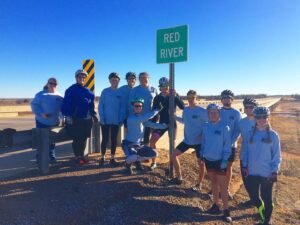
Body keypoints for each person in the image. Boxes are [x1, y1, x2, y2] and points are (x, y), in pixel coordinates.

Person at [242, 107, 281, 225]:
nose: (261, 119)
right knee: (254, 196)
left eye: (264, 117)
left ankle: (266, 221)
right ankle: (262, 212)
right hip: (252, 172)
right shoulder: (249, 134)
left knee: (267, 198)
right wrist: (244, 166)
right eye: (258, 117)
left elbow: (277, 156)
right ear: (254, 118)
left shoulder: (273, 135)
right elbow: (245, 152)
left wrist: (274, 171)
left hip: (267, 174)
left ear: (268, 117)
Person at [199, 103, 232, 223]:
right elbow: (203, 142)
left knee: (223, 187)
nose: (213, 114)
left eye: (215, 112)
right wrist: (201, 155)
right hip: (208, 160)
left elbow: (227, 146)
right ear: (208, 114)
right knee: (213, 183)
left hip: (220, 161)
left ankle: (226, 210)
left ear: (219, 114)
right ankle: (215, 205)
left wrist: (224, 160)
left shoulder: (224, 127)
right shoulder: (205, 127)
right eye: (210, 112)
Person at [171, 90, 207, 188]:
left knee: (201, 163)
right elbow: (184, 121)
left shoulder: (202, 111)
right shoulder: (186, 110)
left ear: (197, 98)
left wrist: (204, 135)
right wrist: (175, 117)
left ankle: (199, 184)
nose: (191, 100)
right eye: (189, 98)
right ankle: (179, 177)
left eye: (193, 97)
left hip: (199, 143)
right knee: (174, 155)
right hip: (187, 141)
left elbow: (209, 123)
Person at [61, 69, 98, 165]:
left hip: (87, 120)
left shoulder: (89, 92)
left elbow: (91, 106)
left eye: (83, 77)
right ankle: (77, 157)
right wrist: (67, 117)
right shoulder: (70, 90)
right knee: (77, 139)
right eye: (79, 77)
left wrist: (94, 115)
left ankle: (82, 156)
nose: (82, 78)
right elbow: (65, 105)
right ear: (76, 78)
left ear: (86, 79)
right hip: (76, 119)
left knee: (84, 138)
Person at [122, 97, 167, 174]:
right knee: (133, 156)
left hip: (139, 145)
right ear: (133, 107)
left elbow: (152, 124)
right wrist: (157, 110)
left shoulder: (142, 119)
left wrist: (164, 126)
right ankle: (127, 164)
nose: (138, 107)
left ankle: (137, 162)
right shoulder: (131, 118)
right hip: (129, 144)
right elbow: (147, 117)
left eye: (140, 106)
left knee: (154, 153)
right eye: (136, 106)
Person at [149, 77, 185, 170]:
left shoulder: (173, 96)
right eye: (162, 86)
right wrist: (153, 125)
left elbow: (182, 106)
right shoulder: (157, 98)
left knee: (171, 145)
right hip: (162, 125)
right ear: (160, 87)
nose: (164, 88)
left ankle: (171, 164)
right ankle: (154, 162)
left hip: (172, 124)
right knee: (152, 141)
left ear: (169, 86)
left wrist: (176, 96)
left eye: (166, 86)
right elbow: (154, 112)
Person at [31, 77, 63, 163]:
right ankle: (39, 158)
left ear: (57, 85)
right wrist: (41, 114)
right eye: (50, 83)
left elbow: (62, 109)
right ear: (47, 84)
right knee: (41, 142)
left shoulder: (59, 96)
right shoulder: (40, 95)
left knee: (52, 142)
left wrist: (63, 117)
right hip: (42, 122)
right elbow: (34, 106)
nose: (52, 85)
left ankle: (52, 158)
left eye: (54, 84)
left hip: (55, 123)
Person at [219, 89, 242, 199]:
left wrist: (229, 143)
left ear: (232, 100)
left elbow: (238, 130)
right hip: (217, 145)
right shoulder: (218, 111)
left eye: (229, 98)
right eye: (224, 97)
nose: (226, 99)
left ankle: (226, 189)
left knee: (227, 167)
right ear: (221, 100)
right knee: (217, 167)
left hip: (231, 146)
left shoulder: (236, 113)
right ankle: (216, 188)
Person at [98, 72, 122, 167]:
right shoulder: (105, 91)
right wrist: (102, 118)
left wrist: (120, 119)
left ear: (118, 81)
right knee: (104, 139)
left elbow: (122, 107)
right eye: (112, 80)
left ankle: (112, 157)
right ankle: (102, 157)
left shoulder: (120, 93)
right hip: (105, 120)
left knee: (114, 139)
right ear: (109, 81)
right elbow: (101, 106)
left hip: (116, 121)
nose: (114, 81)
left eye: (116, 80)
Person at [129, 72, 158, 146]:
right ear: (139, 79)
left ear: (148, 78)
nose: (143, 79)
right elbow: (130, 104)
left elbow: (158, 101)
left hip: (149, 117)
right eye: (141, 78)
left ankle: (145, 153)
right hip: (138, 117)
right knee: (138, 136)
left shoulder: (153, 89)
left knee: (147, 136)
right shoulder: (135, 90)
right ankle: (137, 152)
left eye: (145, 77)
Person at [239, 97, 258, 206]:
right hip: (244, 156)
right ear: (244, 109)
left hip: (257, 157)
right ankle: (253, 199)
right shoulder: (241, 122)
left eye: (252, 107)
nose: (249, 109)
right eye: (247, 107)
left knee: (257, 181)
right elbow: (234, 136)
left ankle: (260, 203)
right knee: (246, 181)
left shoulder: (260, 121)